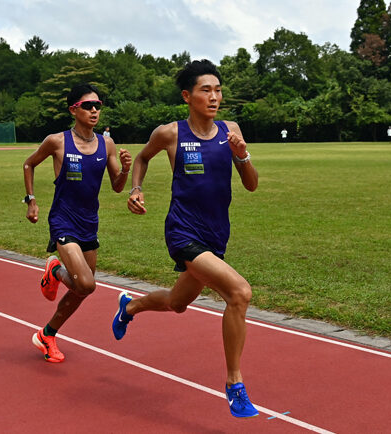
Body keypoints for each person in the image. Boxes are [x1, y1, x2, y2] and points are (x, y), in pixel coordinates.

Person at [112, 60, 260, 418]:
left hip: (216, 234)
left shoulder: (231, 130)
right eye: (205, 90)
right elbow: (143, 158)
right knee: (239, 293)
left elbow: (252, 183)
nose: (214, 97)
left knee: (178, 303)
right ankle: (234, 384)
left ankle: (129, 307)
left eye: (218, 90)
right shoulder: (171, 133)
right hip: (182, 231)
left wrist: (242, 156)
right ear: (187, 96)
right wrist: (136, 189)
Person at [23, 83, 131, 363]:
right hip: (63, 220)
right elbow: (28, 164)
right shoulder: (57, 141)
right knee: (87, 283)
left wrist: (126, 170)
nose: (95, 110)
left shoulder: (106, 143)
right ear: (74, 109)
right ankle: (57, 269)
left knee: (82, 289)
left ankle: (47, 334)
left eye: (98, 106)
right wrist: (31, 200)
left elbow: (117, 187)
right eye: (88, 106)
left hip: (89, 223)